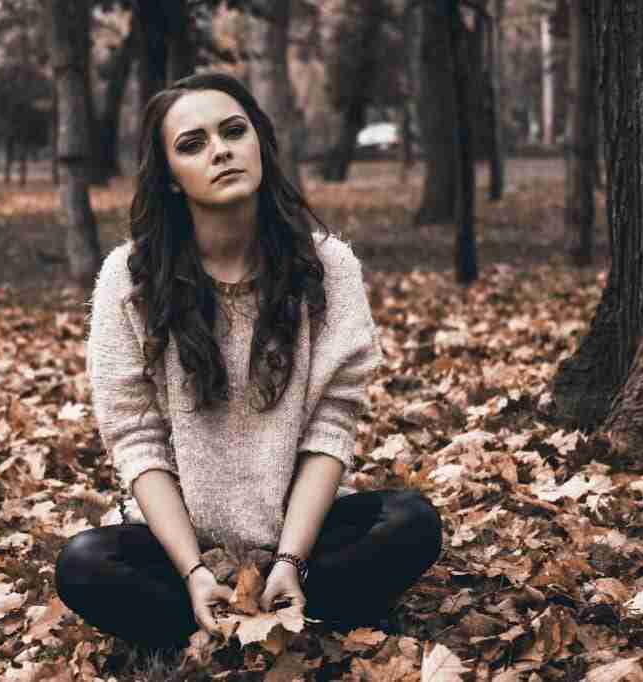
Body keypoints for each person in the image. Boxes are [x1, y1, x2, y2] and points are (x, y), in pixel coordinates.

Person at [55, 72, 442, 652]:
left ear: (259, 142)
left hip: (306, 541)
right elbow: (136, 442)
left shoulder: (329, 267)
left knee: (412, 522)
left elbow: (330, 428)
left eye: (234, 131)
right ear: (171, 179)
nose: (220, 150)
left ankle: (282, 604)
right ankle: (236, 617)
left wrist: (288, 558)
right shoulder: (128, 279)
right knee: (82, 564)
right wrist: (194, 571)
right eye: (193, 144)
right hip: (180, 548)